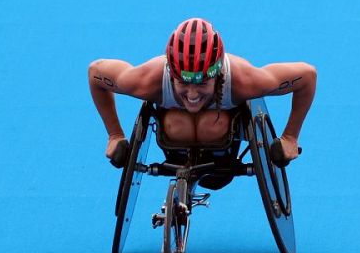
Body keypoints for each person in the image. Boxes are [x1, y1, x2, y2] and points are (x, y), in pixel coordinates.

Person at [87, 18, 317, 189]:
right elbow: (95, 72)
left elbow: (307, 76)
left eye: (202, 84)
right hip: (175, 147)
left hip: (222, 155)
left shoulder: (245, 81)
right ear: (172, 74)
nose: (193, 94)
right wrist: (115, 135)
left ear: (217, 76)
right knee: (177, 123)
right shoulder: (147, 81)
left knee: (211, 123)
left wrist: (290, 138)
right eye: (184, 84)